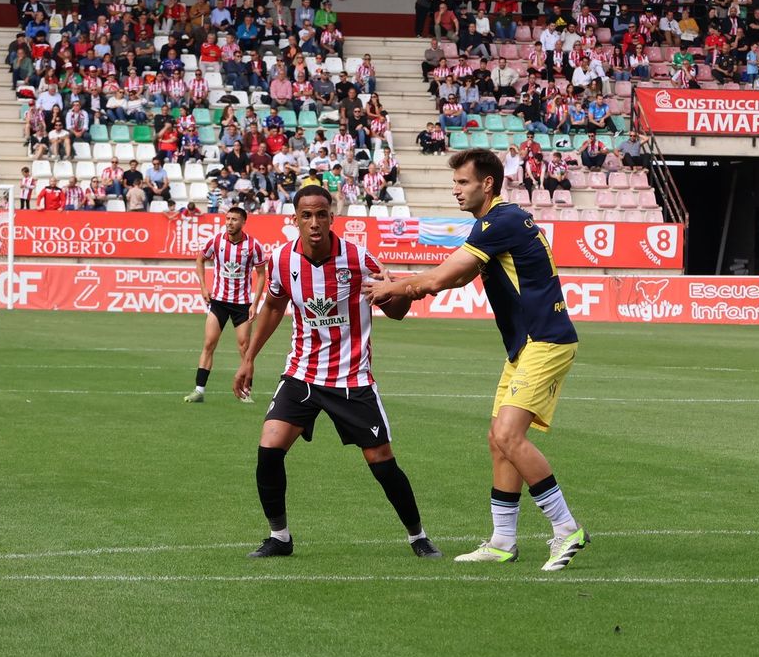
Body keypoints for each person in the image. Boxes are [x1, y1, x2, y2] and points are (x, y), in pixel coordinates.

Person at [367, 149, 587, 571]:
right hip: (526, 346)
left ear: (487, 184)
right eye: (454, 184)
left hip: (546, 340)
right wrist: (412, 285)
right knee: (497, 438)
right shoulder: (496, 225)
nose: (456, 190)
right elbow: (461, 275)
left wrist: (396, 289)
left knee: (508, 435)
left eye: (463, 183)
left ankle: (566, 528)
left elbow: (442, 277)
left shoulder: (498, 221)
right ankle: (503, 540)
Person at [231, 185, 442, 560]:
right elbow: (274, 308)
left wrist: (406, 292)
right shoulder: (281, 260)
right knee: (268, 449)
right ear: (294, 219)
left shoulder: (359, 260)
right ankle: (279, 537)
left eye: (321, 214)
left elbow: (394, 311)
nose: (314, 222)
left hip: (351, 379)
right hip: (301, 375)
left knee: (381, 463)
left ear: (332, 217)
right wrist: (249, 358)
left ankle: (418, 536)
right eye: (306, 215)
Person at [185, 206, 267, 405]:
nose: (230, 222)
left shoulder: (253, 246)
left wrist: (255, 303)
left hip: (242, 304)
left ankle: (246, 391)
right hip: (219, 302)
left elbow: (262, 274)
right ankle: (199, 390)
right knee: (209, 344)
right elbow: (200, 259)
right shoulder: (216, 241)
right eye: (228, 218)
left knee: (245, 348)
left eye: (234, 219)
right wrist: (204, 288)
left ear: (243, 222)